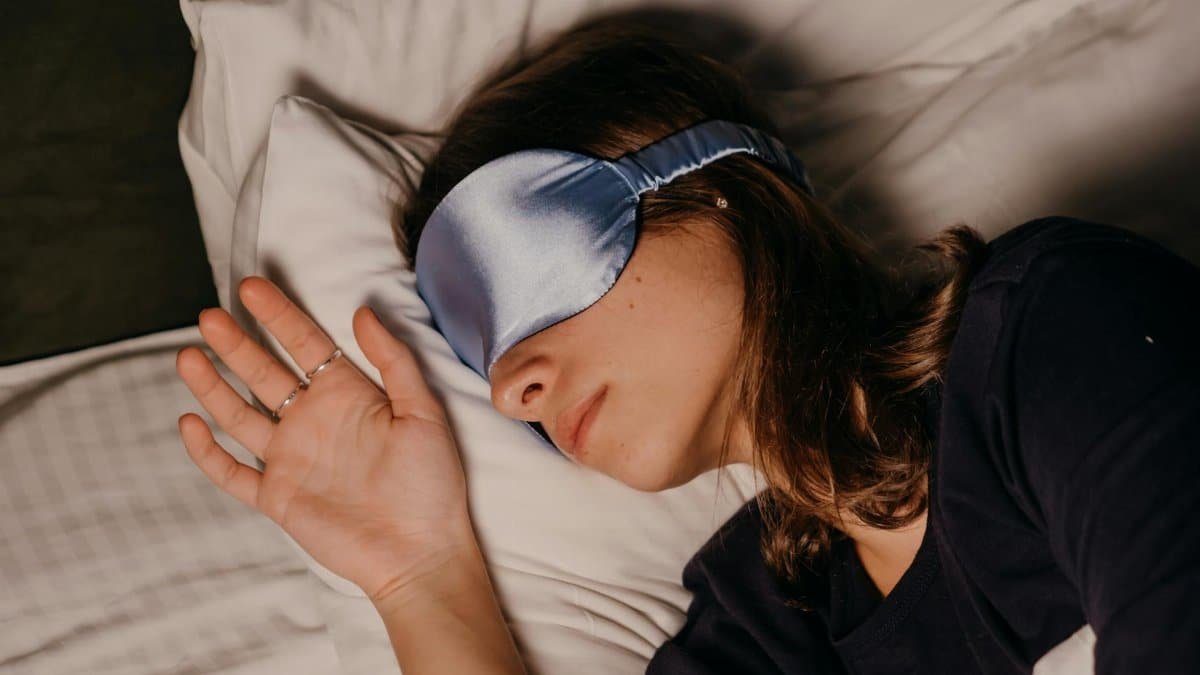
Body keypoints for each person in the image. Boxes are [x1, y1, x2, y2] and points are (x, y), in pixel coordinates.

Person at [173, 16, 1200, 675]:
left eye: (517, 282)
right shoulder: (767, 616)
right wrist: (420, 575)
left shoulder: (1048, 329)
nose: (515, 390)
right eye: (479, 354)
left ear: (719, 186)